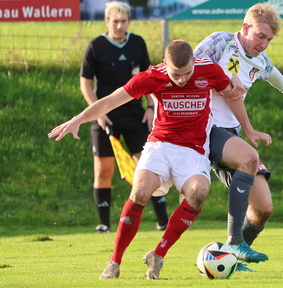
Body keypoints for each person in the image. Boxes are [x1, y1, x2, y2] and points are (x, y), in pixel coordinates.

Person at [48, 40, 246, 280]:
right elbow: (111, 100)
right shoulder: (153, 76)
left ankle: (158, 255)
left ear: (194, 62)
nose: (181, 80)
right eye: (175, 74)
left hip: (194, 150)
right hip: (160, 146)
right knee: (140, 191)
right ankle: (114, 262)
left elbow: (232, 93)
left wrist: (249, 127)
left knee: (199, 193)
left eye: (186, 74)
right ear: (165, 65)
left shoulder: (209, 70)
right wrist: (78, 119)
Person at [194, 2, 283, 270]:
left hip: (230, 134)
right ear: (245, 28)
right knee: (249, 158)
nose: (264, 43)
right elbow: (189, 67)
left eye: (269, 39)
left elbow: (271, 72)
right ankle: (234, 240)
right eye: (260, 36)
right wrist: (224, 79)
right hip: (204, 128)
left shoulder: (260, 59)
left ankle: (230, 254)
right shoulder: (221, 42)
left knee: (264, 208)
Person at [79, 1, 168, 233]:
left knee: (147, 166)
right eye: (114, 21)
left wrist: (151, 108)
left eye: (123, 21)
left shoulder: (137, 43)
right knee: (103, 170)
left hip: (135, 115)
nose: (119, 25)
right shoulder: (96, 45)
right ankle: (104, 224)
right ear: (106, 21)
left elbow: (151, 77)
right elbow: (85, 83)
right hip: (105, 117)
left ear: (129, 21)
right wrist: (97, 113)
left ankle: (162, 221)